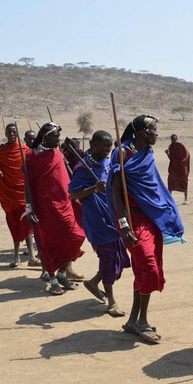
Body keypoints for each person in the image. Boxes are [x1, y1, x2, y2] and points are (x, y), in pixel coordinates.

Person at [108, 115, 184, 344]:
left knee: (143, 268)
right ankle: (142, 321)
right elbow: (115, 190)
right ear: (142, 132)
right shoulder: (123, 153)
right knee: (148, 267)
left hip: (149, 217)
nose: (156, 134)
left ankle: (134, 320)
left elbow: (153, 187)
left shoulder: (147, 154)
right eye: (153, 131)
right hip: (131, 219)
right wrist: (123, 224)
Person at [69, 130, 130, 317]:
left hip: (112, 215)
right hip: (96, 218)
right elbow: (74, 193)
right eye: (104, 146)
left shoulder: (108, 163)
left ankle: (94, 282)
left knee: (117, 257)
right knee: (108, 257)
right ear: (94, 145)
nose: (107, 150)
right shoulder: (83, 167)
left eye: (110, 146)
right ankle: (111, 301)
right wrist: (93, 189)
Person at [26, 122, 86, 295]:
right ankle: (53, 279)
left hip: (65, 204)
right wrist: (30, 210)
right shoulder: (32, 156)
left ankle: (62, 273)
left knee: (75, 236)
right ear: (45, 138)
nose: (59, 140)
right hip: (44, 208)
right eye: (55, 137)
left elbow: (65, 178)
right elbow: (28, 186)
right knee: (48, 243)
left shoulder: (58, 154)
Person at [0, 123, 39, 268]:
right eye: (9, 132)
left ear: (17, 134)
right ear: (5, 134)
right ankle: (16, 256)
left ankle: (31, 257)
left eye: (14, 132)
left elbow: (32, 167)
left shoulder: (24, 150)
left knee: (28, 225)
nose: (11, 135)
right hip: (9, 195)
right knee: (14, 225)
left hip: (24, 194)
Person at [165, 134, 191, 204]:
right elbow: (171, 159)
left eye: (174, 139)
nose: (173, 140)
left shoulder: (180, 146)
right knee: (171, 181)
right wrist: (167, 154)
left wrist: (183, 161)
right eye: (172, 139)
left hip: (181, 168)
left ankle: (186, 199)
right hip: (174, 167)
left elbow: (187, 154)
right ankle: (169, 198)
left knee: (184, 182)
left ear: (176, 139)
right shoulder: (170, 147)